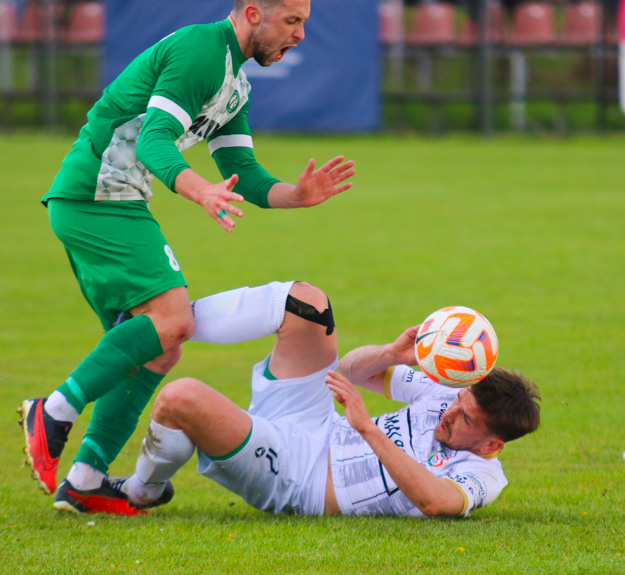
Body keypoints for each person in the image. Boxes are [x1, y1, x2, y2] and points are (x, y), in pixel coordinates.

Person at [18, 0, 356, 508]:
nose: (301, 34)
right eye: (292, 21)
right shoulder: (202, 50)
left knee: (159, 344)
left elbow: (244, 167)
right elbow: (155, 141)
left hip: (107, 200)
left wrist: (297, 194)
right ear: (252, 14)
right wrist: (202, 191)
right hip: (97, 196)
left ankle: (85, 480)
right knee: (173, 319)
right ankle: (53, 412)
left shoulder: (235, 81)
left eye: (305, 23)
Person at [50, 280, 542, 516]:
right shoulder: (445, 399)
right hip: (310, 420)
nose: (450, 410)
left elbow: (437, 503)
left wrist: (368, 428)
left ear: (492, 444)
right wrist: (394, 352)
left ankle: (140, 491)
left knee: (180, 398)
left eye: (464, 418)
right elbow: (347, 372)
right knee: (307, 303)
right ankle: (167, 325)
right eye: (458, 401)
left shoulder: (481, 475)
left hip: (300, 478)